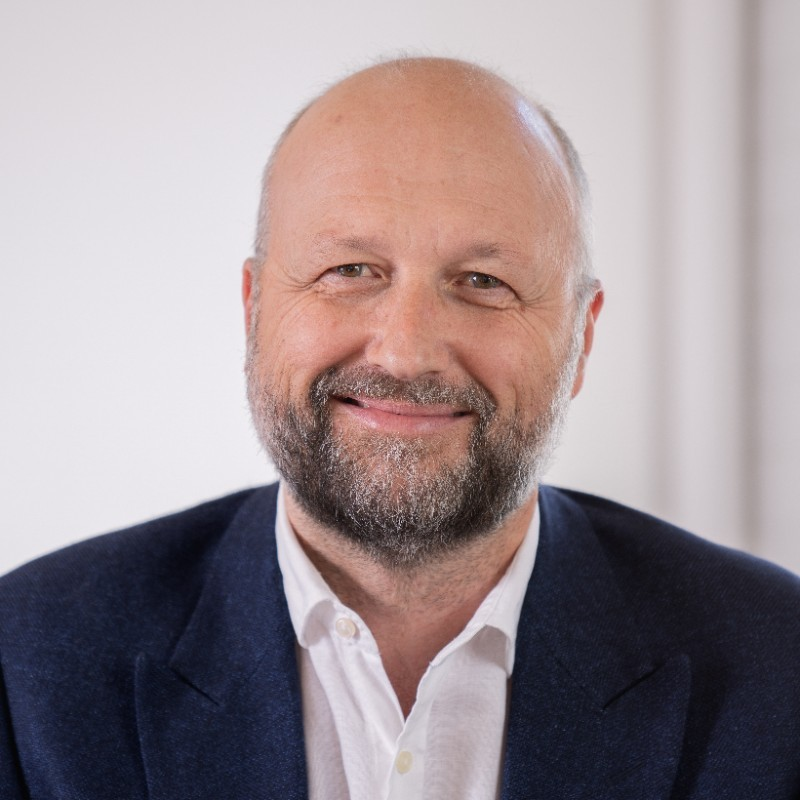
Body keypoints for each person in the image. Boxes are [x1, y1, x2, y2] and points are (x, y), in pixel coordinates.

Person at [1, 57, 799, 800]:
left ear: (581, 339)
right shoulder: (26, 665)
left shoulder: (778, 669)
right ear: (253, 310)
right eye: (350, 270)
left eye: (483, 281)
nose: (406, 350)